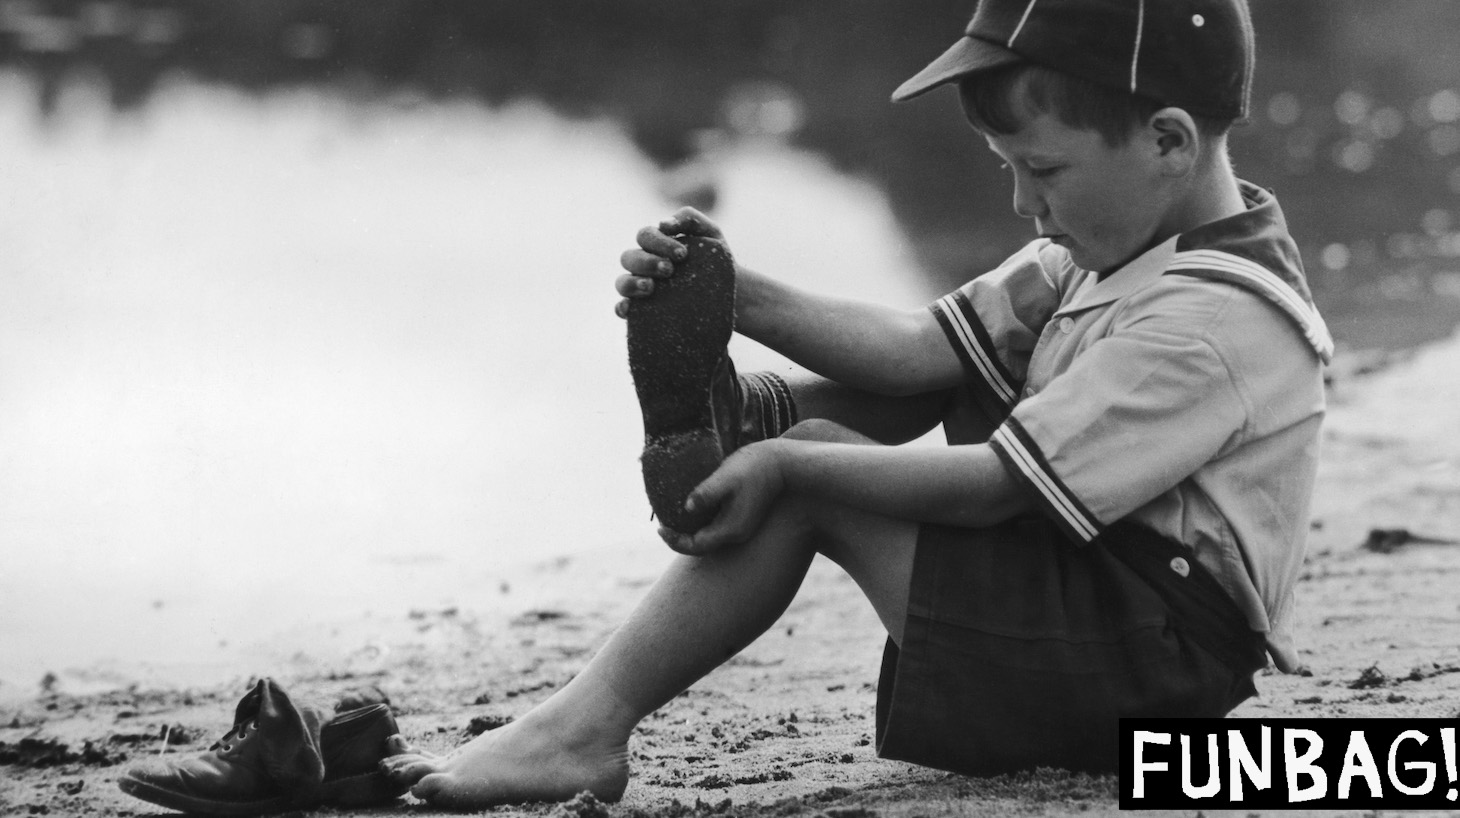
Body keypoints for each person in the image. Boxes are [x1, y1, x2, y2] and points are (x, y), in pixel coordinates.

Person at [380, 0, 1330, 808]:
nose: (1020, 203)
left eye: (1041, 170)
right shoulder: (1105, 249)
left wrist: (798, 466)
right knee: (944, 380)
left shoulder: (1214, 319)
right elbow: (919, 353)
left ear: (1166, 140)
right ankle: (749, 414)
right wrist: (730, 293)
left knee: (815, 478)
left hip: (1144, 670)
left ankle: (580, 732)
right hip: (1093, 608)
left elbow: (1002, 485)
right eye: (1008, 168)